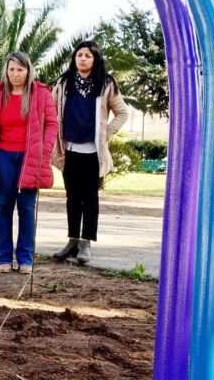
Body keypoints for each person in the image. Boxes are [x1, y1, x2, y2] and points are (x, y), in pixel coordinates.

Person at [49, 41, 128, 264]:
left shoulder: (106, 83)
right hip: (70, 150)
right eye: (79, 55)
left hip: (94, 153)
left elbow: (122, 113)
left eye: (88, 55)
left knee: (90, 199)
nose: (82, 59)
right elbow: (52, 111)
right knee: (72, 198)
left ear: (95, 59)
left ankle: (86, 243)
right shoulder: (64, 83)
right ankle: (72, 240)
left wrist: (106, 132)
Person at [0, 52, 58, 274]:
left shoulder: (41, 94)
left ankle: (25, 258)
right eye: (12, 69)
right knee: (4, 206)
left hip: (30, 158)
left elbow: (52, 124)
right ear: (6, 70)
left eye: (20, 70)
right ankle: (4, 257)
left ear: (28, 71)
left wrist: (44, 149)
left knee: (26, 208)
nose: (15, 74)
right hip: (4, 155)